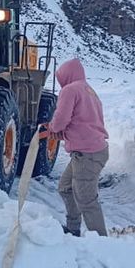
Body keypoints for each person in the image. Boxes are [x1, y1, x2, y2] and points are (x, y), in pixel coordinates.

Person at [49, 58, 110, 237]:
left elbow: (60, 120)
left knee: (86, 199)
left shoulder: (70, 90)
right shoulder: (89, 91)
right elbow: (83, 122)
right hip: (89, 151)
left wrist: (53, 129)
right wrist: (64, 134)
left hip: (87, 154)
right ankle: (73, 228)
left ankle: (100, 241)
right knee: (66, 187)